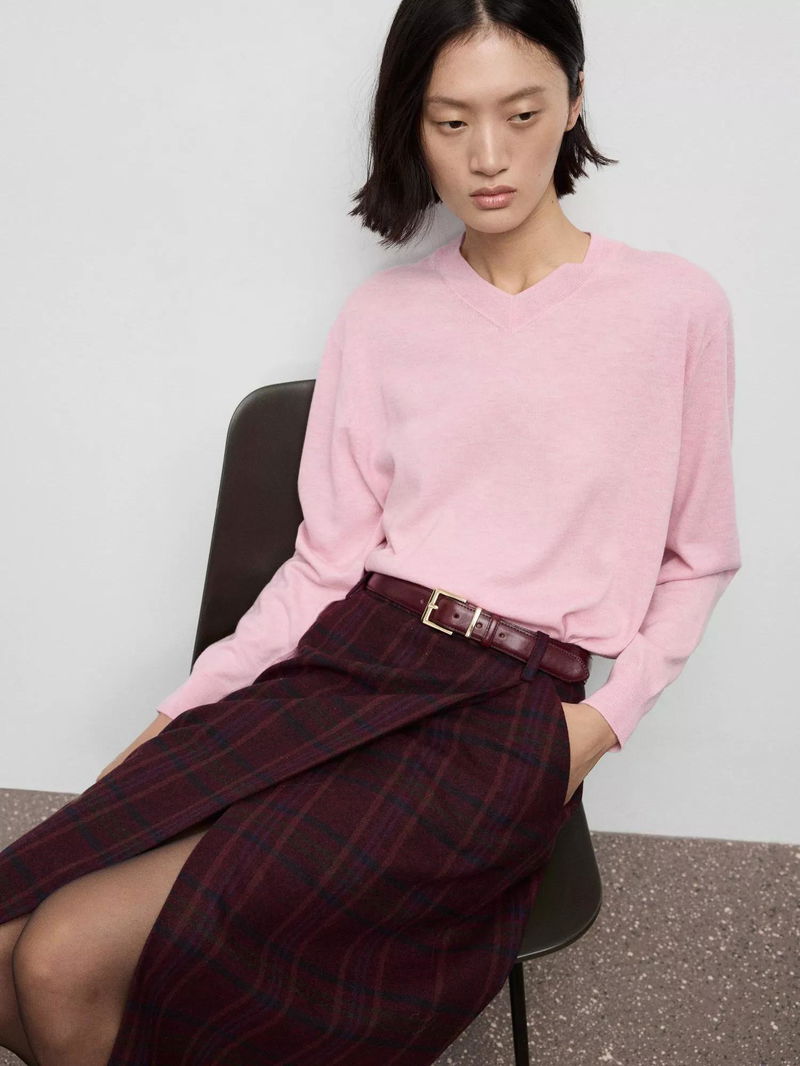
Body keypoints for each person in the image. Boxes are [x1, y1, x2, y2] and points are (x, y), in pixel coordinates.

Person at [0, 2, 741, 1064]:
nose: (488, 157)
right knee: (12, 942)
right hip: (350, 656)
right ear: (412, 127)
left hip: (506, 710)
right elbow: (322, 567)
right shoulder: (384, 316)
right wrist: (180, 715)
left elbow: (699, 557)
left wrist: (597, 727)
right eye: (450, 122)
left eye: (521, 113)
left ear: (574, 102)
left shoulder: (673, 308)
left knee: (59, 957)